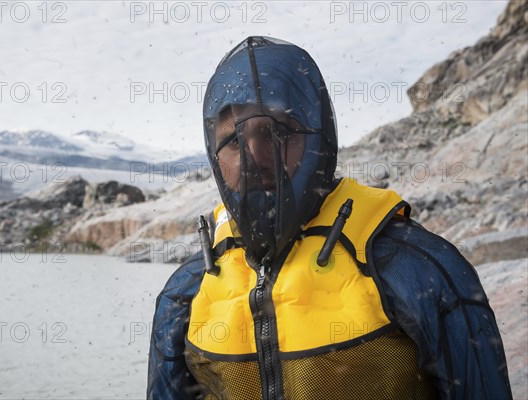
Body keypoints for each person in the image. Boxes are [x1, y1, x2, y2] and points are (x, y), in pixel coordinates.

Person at [146, 36, 511, 400]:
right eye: (232, 141)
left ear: (319, 138)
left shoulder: (416, 270)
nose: (253, 156)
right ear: (213, 154)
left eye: (276, 131)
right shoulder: (186, 292)